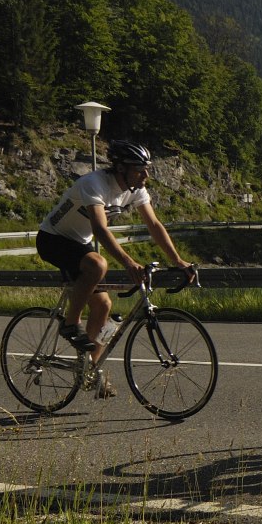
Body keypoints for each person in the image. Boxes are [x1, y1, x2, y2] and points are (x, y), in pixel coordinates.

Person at [36, 140, 195, 393]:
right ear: (120, 168)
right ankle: (70, 322)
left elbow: (154, 225)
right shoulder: (94, 184)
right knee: (98, 264)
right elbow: (100, 228)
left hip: (79, 242)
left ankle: (90, 372)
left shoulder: (135, 189)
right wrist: (129, 262)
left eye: (147, 168)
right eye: (139, 169)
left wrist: (178, 260)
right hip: (53, 239)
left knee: (104, 305)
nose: (146, 175)